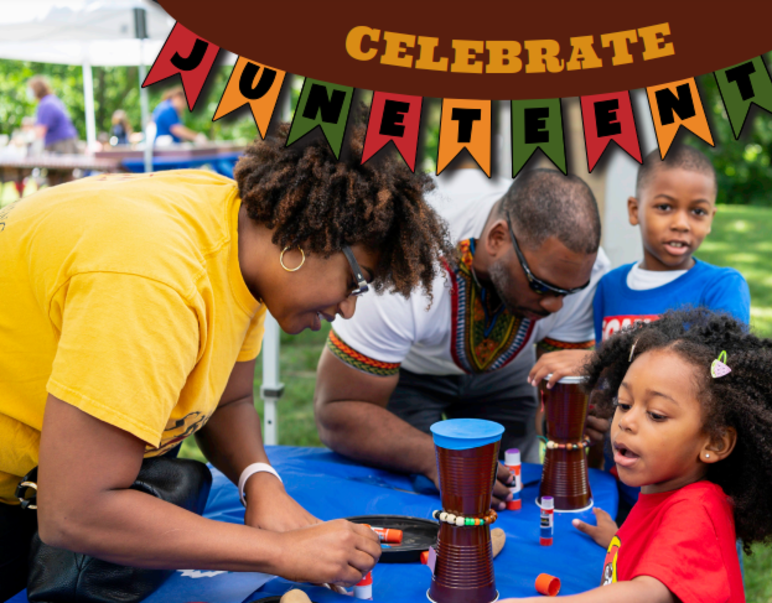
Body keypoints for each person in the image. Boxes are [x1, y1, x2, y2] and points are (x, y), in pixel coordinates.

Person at [0, 115, 451, 598]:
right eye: (355, 281)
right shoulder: (154, 281)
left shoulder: (243, 237)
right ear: (308, 236)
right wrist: (283, 553)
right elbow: (74, 512)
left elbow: (228, 401)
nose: (348, 307)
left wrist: (262, 485)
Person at [501, 309, 772, 603]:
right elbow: (656, 548)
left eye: (656, 414)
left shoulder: (696, 511)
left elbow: (647, 591)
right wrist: (619, 541)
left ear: (715, 444)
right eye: (624, 403)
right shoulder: (664, 489)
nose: (627, 421)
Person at [314, 168, 611, 510]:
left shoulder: (580, 270)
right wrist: (433, 458)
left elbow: (557, 394)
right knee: (409, 496)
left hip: (511, 367)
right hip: (406, 368)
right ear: (497, 238)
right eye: (542, 286)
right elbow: (338, 411)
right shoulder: (404, 251)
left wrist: (569, 422)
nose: (556, 304)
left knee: (509, 490)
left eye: (569, 292)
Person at [575, 144, 751, 539]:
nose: (682, 223)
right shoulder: (610, 288)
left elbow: (723, 369)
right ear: (635, 210)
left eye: (698, 211)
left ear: (712, 218)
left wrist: (582, 361)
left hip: (687, 488)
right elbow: (604, 377)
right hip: (621, 475)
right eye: (666, 207)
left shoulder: (721, 287)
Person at [27, 76, 78, 155]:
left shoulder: (46, 104)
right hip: (65, 141)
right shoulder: (52, 100)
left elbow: (40, 131)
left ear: (36, 90)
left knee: (60, 167)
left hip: (61, 143)